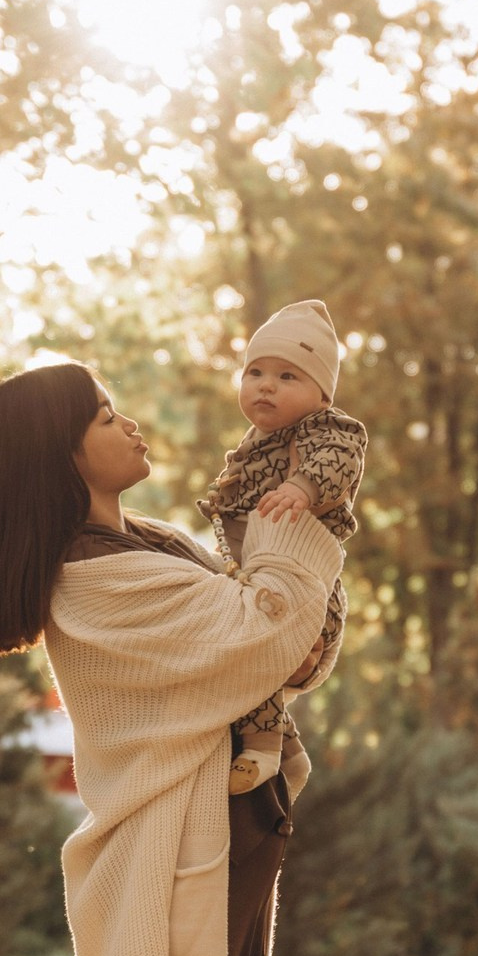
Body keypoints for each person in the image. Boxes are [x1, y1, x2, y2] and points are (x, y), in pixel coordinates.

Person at [0, 360, 343, 956]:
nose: (128, 424)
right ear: (58, 454)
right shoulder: (96, 576)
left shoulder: (148, 544)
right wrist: (300, 505)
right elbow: (266, 628)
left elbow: (293, 648)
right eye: (103, 417)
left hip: (235, 831)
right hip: (180, 856)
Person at [198, 300, 366, 795]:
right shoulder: (255, 442)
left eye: (288, 376)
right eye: (255, 372)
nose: (266, 385)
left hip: (309, 589)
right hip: (263, 579)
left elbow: (339, 460)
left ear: (321, 395)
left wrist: (303, 488)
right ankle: (290, 755)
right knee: (247, 667)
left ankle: (264, 751)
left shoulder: (325, 429)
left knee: (252, 656)